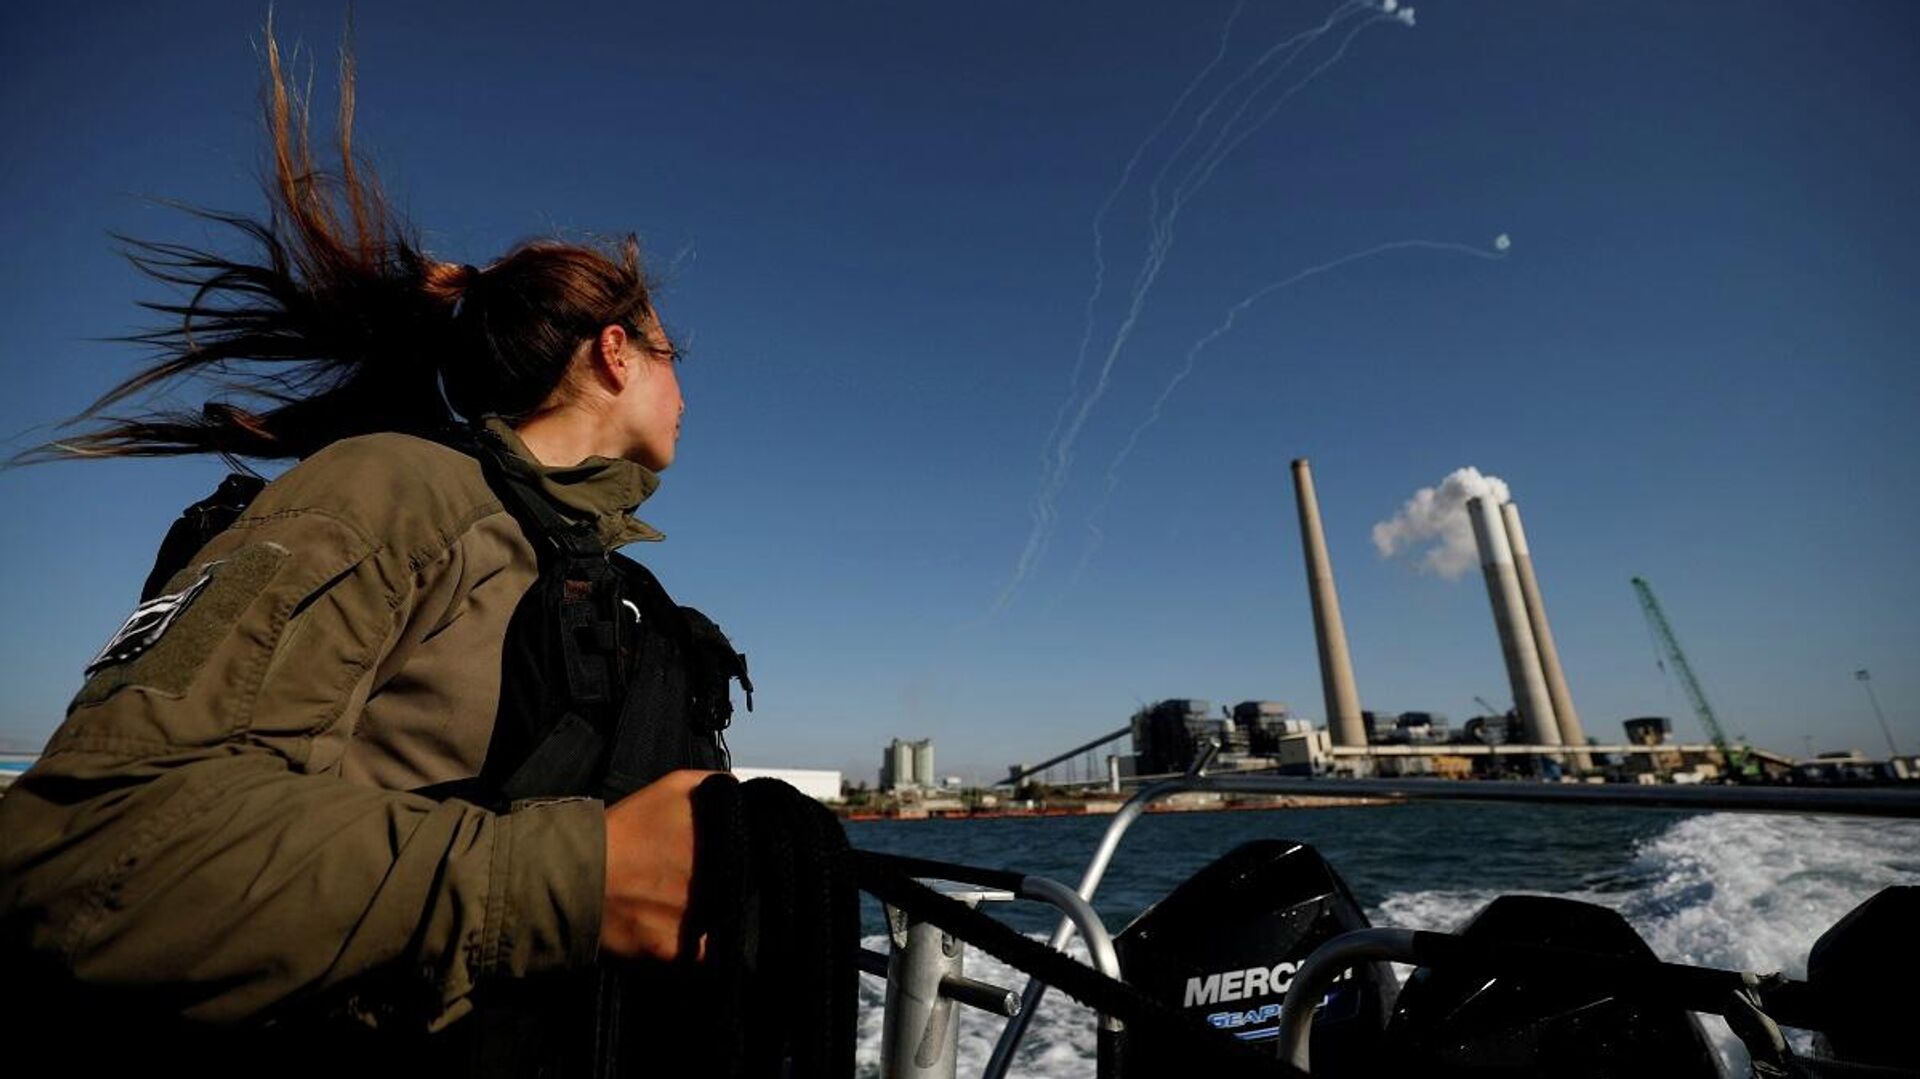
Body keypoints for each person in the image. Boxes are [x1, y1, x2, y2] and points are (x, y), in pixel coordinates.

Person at [0, 31, 748, 1075]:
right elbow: (96, 853)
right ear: (616, 354)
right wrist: (574, 880)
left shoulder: (585, 571)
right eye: (674, 353)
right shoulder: (396, 488)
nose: (688, 391)